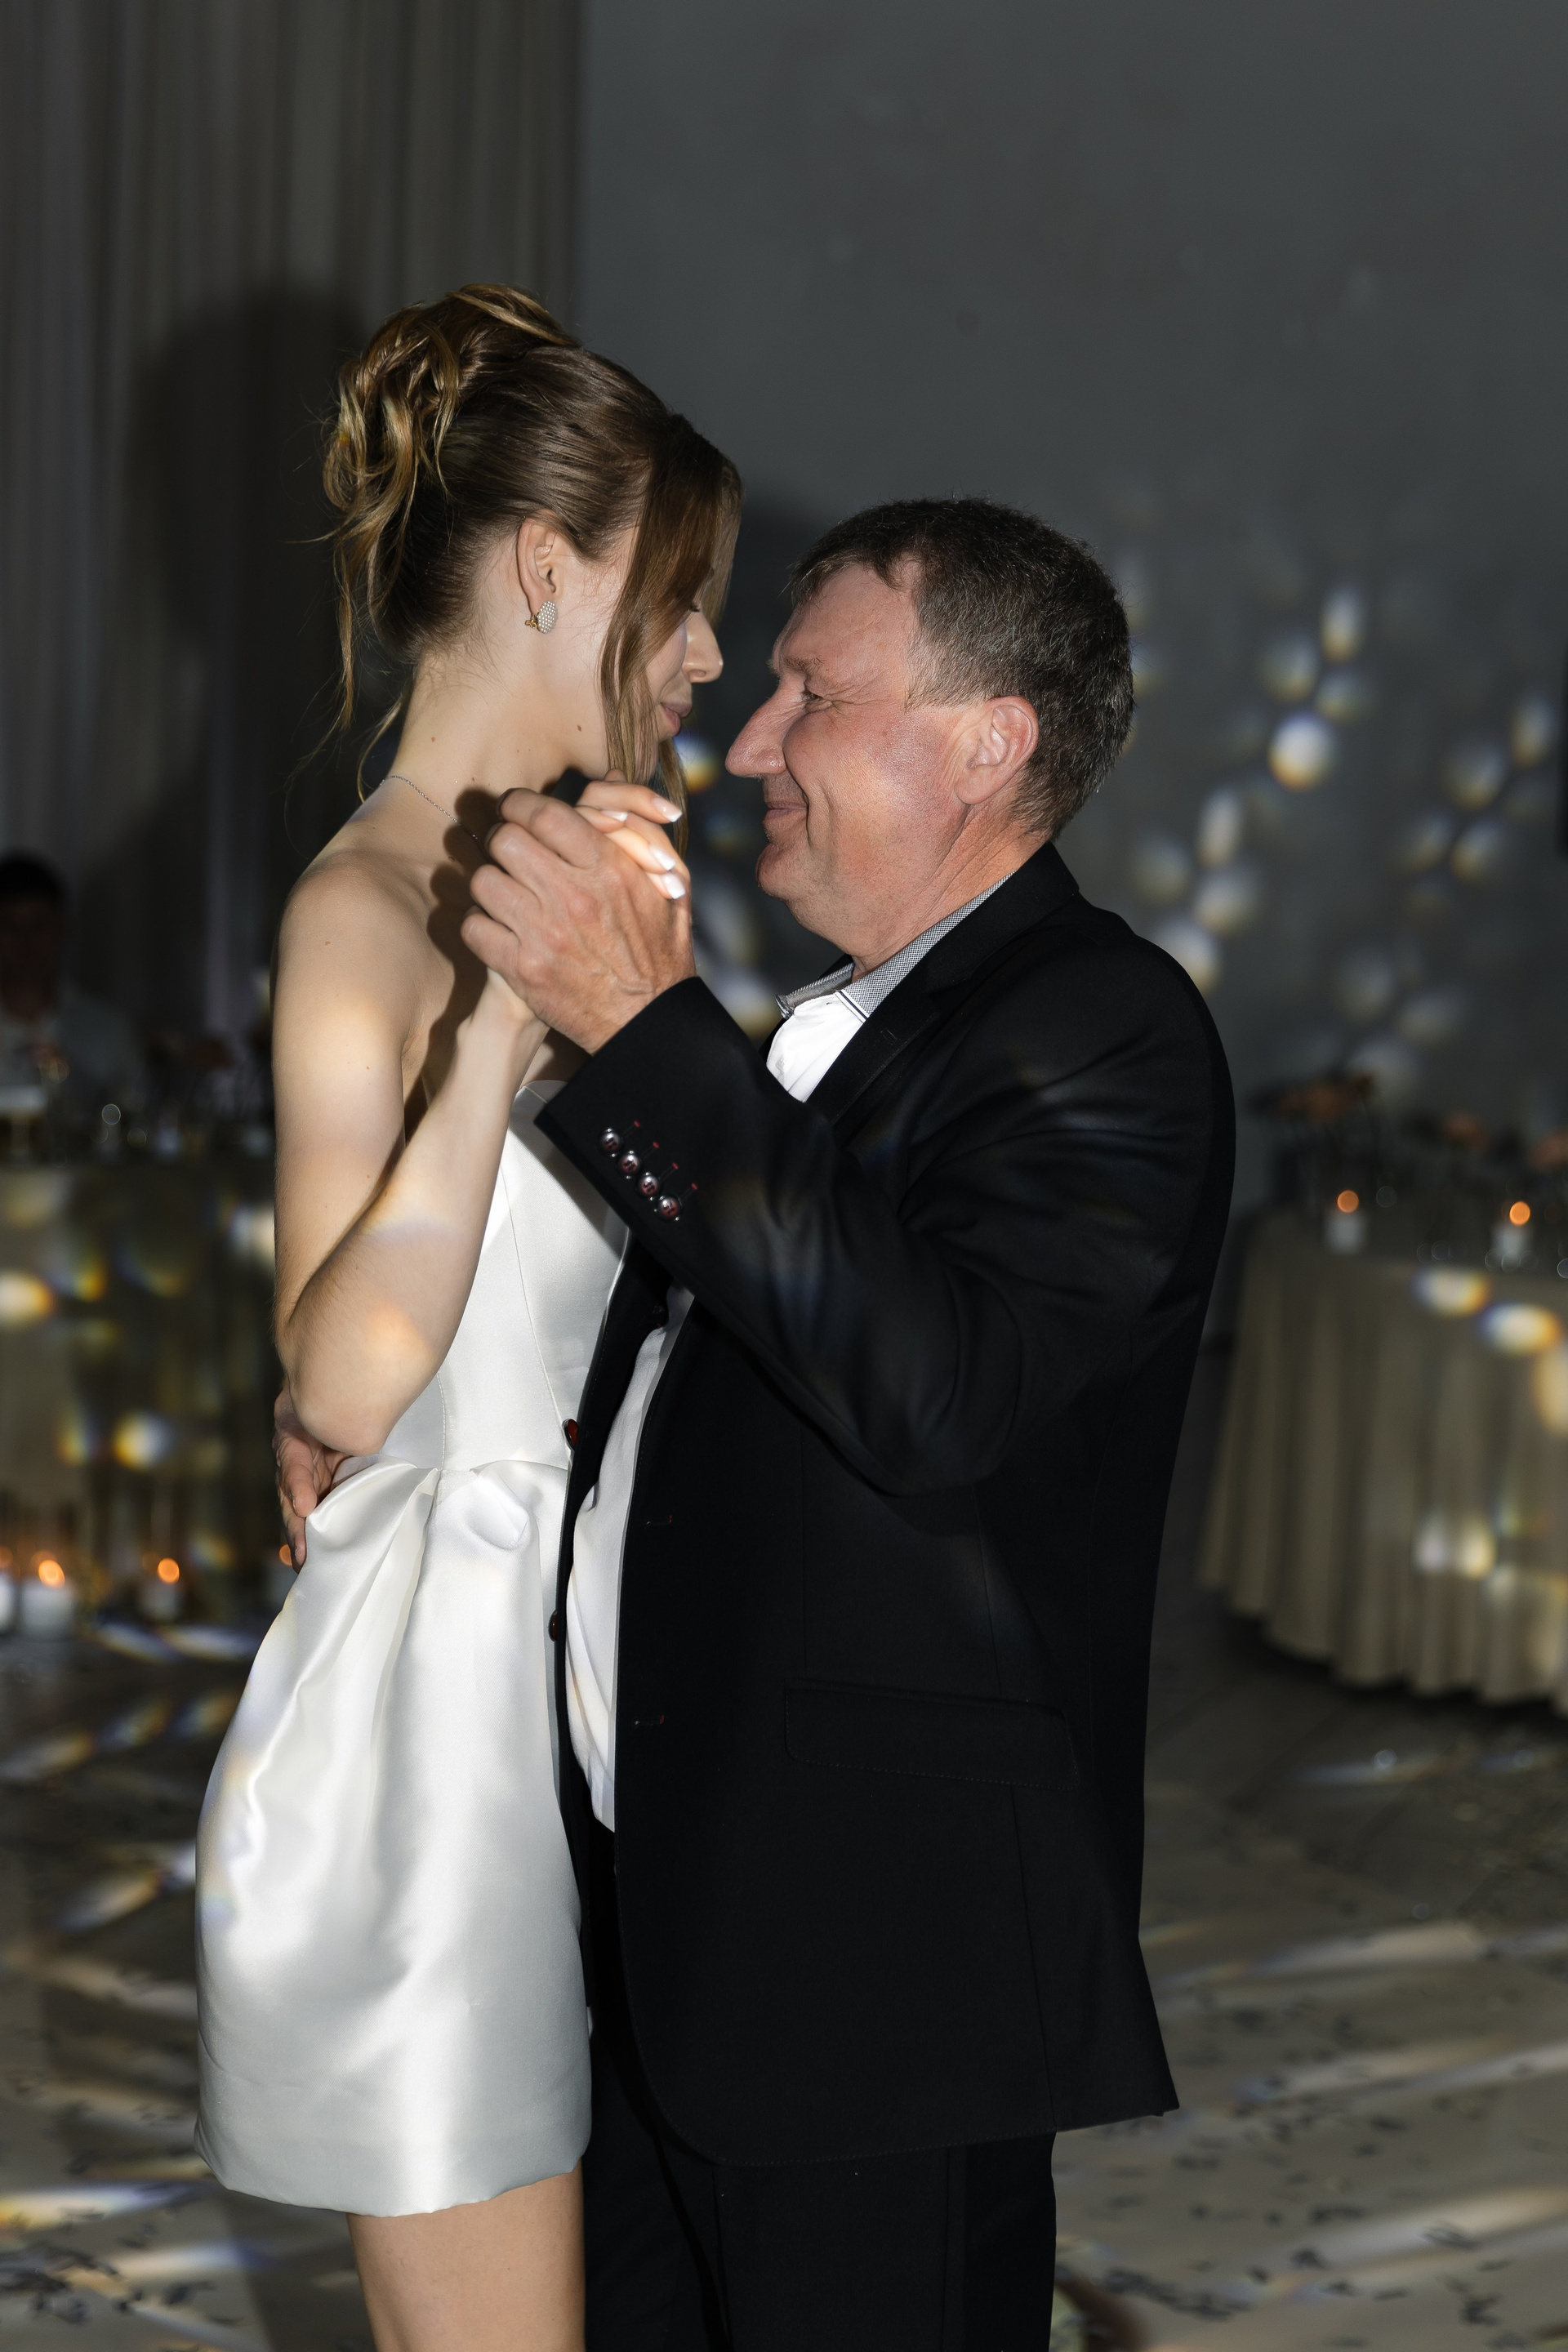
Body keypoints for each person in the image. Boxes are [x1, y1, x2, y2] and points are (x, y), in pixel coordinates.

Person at [449, 497, 1237, 2347]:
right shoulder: (847, 1030)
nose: (752, 745)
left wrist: (647, 1025)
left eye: (814, 692)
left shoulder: (1104, 1023)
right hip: (677, 1920)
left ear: (988, 741)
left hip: (878, 1965)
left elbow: (933, 1394)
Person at [195, 283, 740, 2352]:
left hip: (624, 1678)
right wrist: (505, 1025)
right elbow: (340, 1373)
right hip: (453, 1729)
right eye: (682, 596)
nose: (707, 654)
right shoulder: (367, 906)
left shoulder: (614, 875)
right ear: (545, 568)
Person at [0, 852, 145, 1114]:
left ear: (62, 928)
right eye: (10, 925)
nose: (25, 941)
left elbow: (137, 1121)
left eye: (38, 925)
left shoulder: (108, 1033)